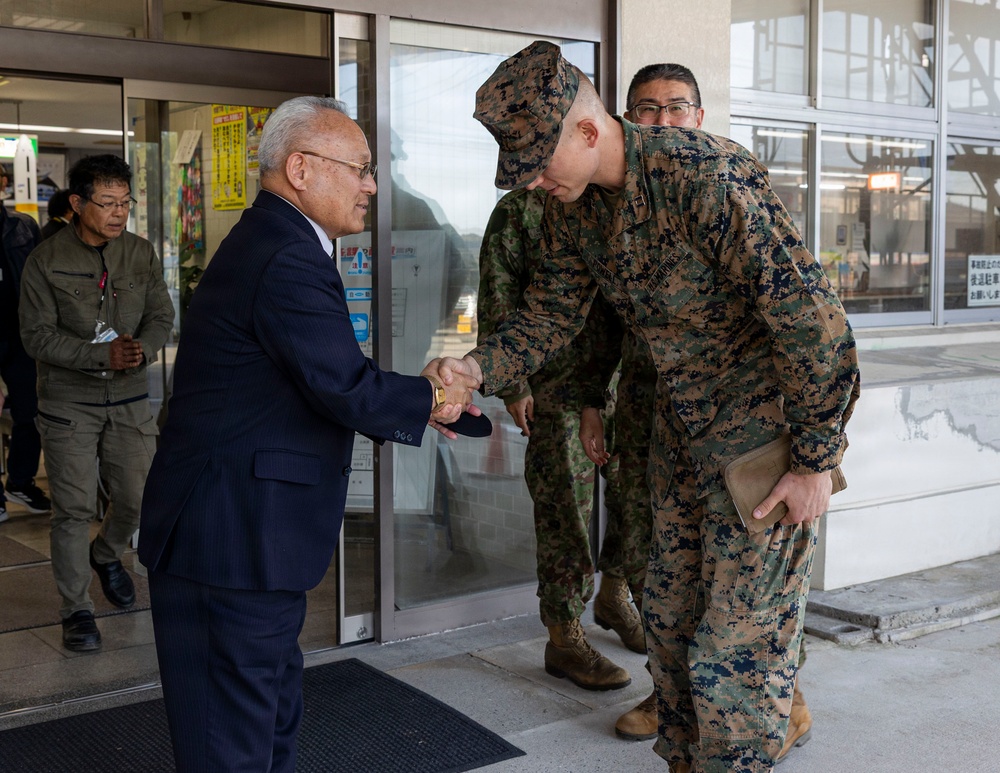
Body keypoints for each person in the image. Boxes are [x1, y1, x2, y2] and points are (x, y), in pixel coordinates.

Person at [437, 41, 860, 772]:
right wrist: (474, 368)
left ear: (588, 130)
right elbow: (551, 314)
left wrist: (816, 461)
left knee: (736, 658)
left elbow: (813, 322)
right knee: (669, 626)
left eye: (538, 162)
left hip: (762, 448)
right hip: (678, 440)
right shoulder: (573, 209)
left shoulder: (705, 177)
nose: (532, 181)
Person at [137, 96, 479, 773]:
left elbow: (323, 378)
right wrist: (436, 397)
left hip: (245, 537)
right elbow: (343, 385)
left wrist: (423, 398)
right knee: (231, 741)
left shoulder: (279, 242)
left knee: (266, 719)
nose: (371, 185)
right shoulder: (284, 254)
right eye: (360, 168)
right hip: (229, 541)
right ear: (300, 169)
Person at [478, 187, 640, 693]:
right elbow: (498, 296)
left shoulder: (610, 201)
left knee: (636, 496)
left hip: (621, 381)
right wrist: (514, 385)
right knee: (564, 510)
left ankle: (615, 594)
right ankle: (564, 635)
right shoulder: (519, 210)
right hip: (555, 387)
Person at [19, 154, 174, 652]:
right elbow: (36, 337)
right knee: (73, 507)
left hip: (129, 399)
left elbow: (161, 314)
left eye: (125, 202)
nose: (118, 213)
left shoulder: (140, 253)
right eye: (107, 203)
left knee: (138, 499)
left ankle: (105, 554)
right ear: (78, 203)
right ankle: (77, 610)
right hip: (69, 403)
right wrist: (99, 355)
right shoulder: (44, 261)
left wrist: (142, 348)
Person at [1, 164, 49, 524]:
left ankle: (20, 481)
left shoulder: (23, 227)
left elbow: (42, 277)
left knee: (31, 412)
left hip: (19, 335)